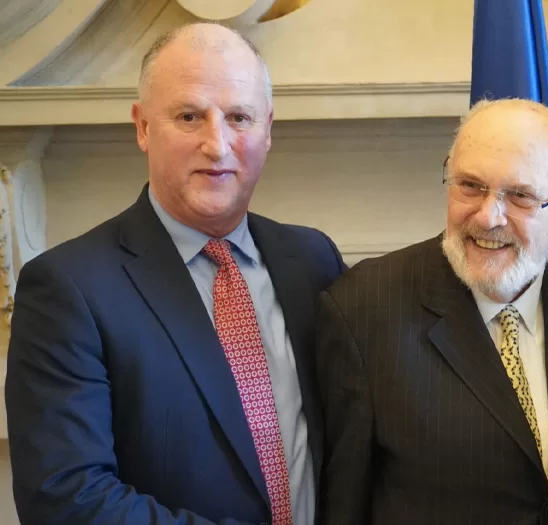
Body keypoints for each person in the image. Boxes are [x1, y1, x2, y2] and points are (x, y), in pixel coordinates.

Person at [3, 23, 346, 524]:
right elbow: (66, 497)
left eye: (239, 117)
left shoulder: (313, 260)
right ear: (142, 126)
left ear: (268, 129)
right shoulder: (67, 289)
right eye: (190, 116)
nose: (218, 144)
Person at [317, 98, 548, 525]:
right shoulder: (362, 310)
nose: (489, 216)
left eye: (521, 196)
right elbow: (344, 503)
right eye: (470, 186)